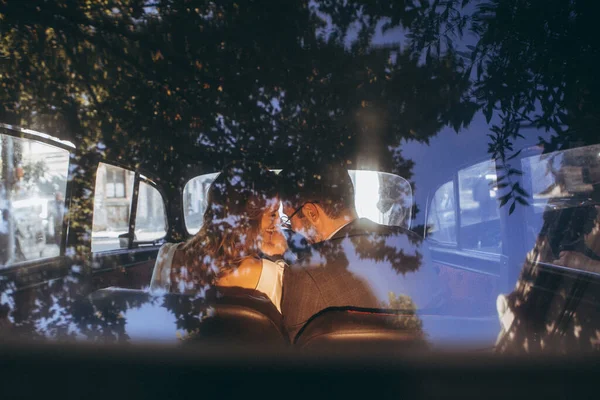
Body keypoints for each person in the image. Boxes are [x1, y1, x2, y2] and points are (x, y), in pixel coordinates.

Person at [278, 161, 446, 340]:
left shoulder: (305, 274)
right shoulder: (414, 244)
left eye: (289, 218)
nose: (291, 228)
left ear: (312, 213)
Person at [150, 161, 288, 312]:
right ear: (248, 219)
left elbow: (156, 316)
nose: (278, 221)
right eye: (273, 213)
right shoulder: (272, 275)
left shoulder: (167, 256)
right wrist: (277, 257)